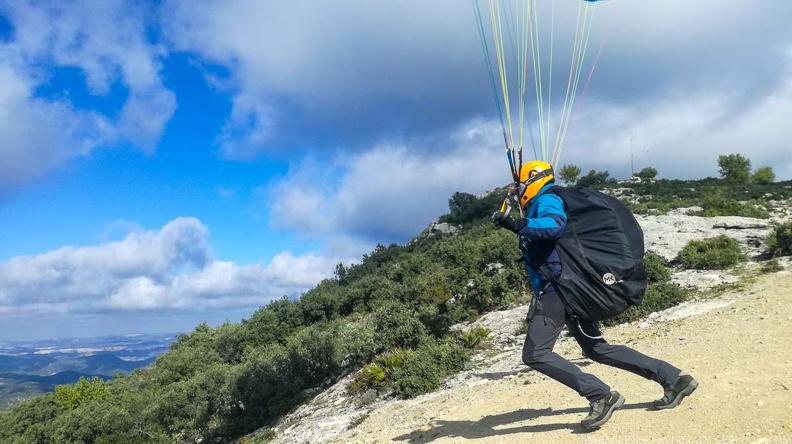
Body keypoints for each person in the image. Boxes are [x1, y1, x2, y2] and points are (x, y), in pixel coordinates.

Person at [491, 160, 698, 431]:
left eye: (519, 184)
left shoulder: (547, 200)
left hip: (557, 293)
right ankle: (673, 378)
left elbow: (554, 226)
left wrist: (516, 224)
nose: (516, 190)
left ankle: (600, 395)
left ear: (532, 181)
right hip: (571, 292)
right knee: (597, 349)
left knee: (535, 354)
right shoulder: (544, 201)